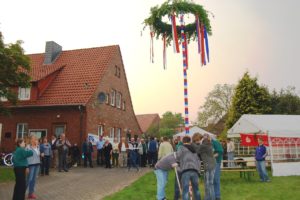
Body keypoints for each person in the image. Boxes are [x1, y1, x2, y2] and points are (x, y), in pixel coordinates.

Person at [176, 135, 201, 200]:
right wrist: (199, 172)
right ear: (190, 141)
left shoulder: (181, 148)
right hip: (195, 170)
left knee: (185, 190)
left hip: (185, 170)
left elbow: (178, 157)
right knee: (196, 189)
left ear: (183, 141)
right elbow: (198, 161)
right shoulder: (194, 149)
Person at [192, 133, 216, 200]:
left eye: (197, 140)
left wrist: (192, 143)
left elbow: (197, 150)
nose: (197, 142)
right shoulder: (208, 143)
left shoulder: (203, 145)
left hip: (208, 166)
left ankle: (208, 198)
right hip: (212, 164)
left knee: (208, 183)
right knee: (210, 183)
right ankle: (210, 198)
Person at [26, 135, 41, 199]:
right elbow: (25, 157)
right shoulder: (28, 147)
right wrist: (26, 167)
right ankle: (22, 192)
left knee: (34, 180)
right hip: (30, 165)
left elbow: (38, 155)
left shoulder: (37, 146)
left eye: (36, 139)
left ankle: (31, 193)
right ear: (31, 140)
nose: (36, 140)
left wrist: (40, 153)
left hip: (37, 164)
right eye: (35, 139)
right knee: (29, 179)